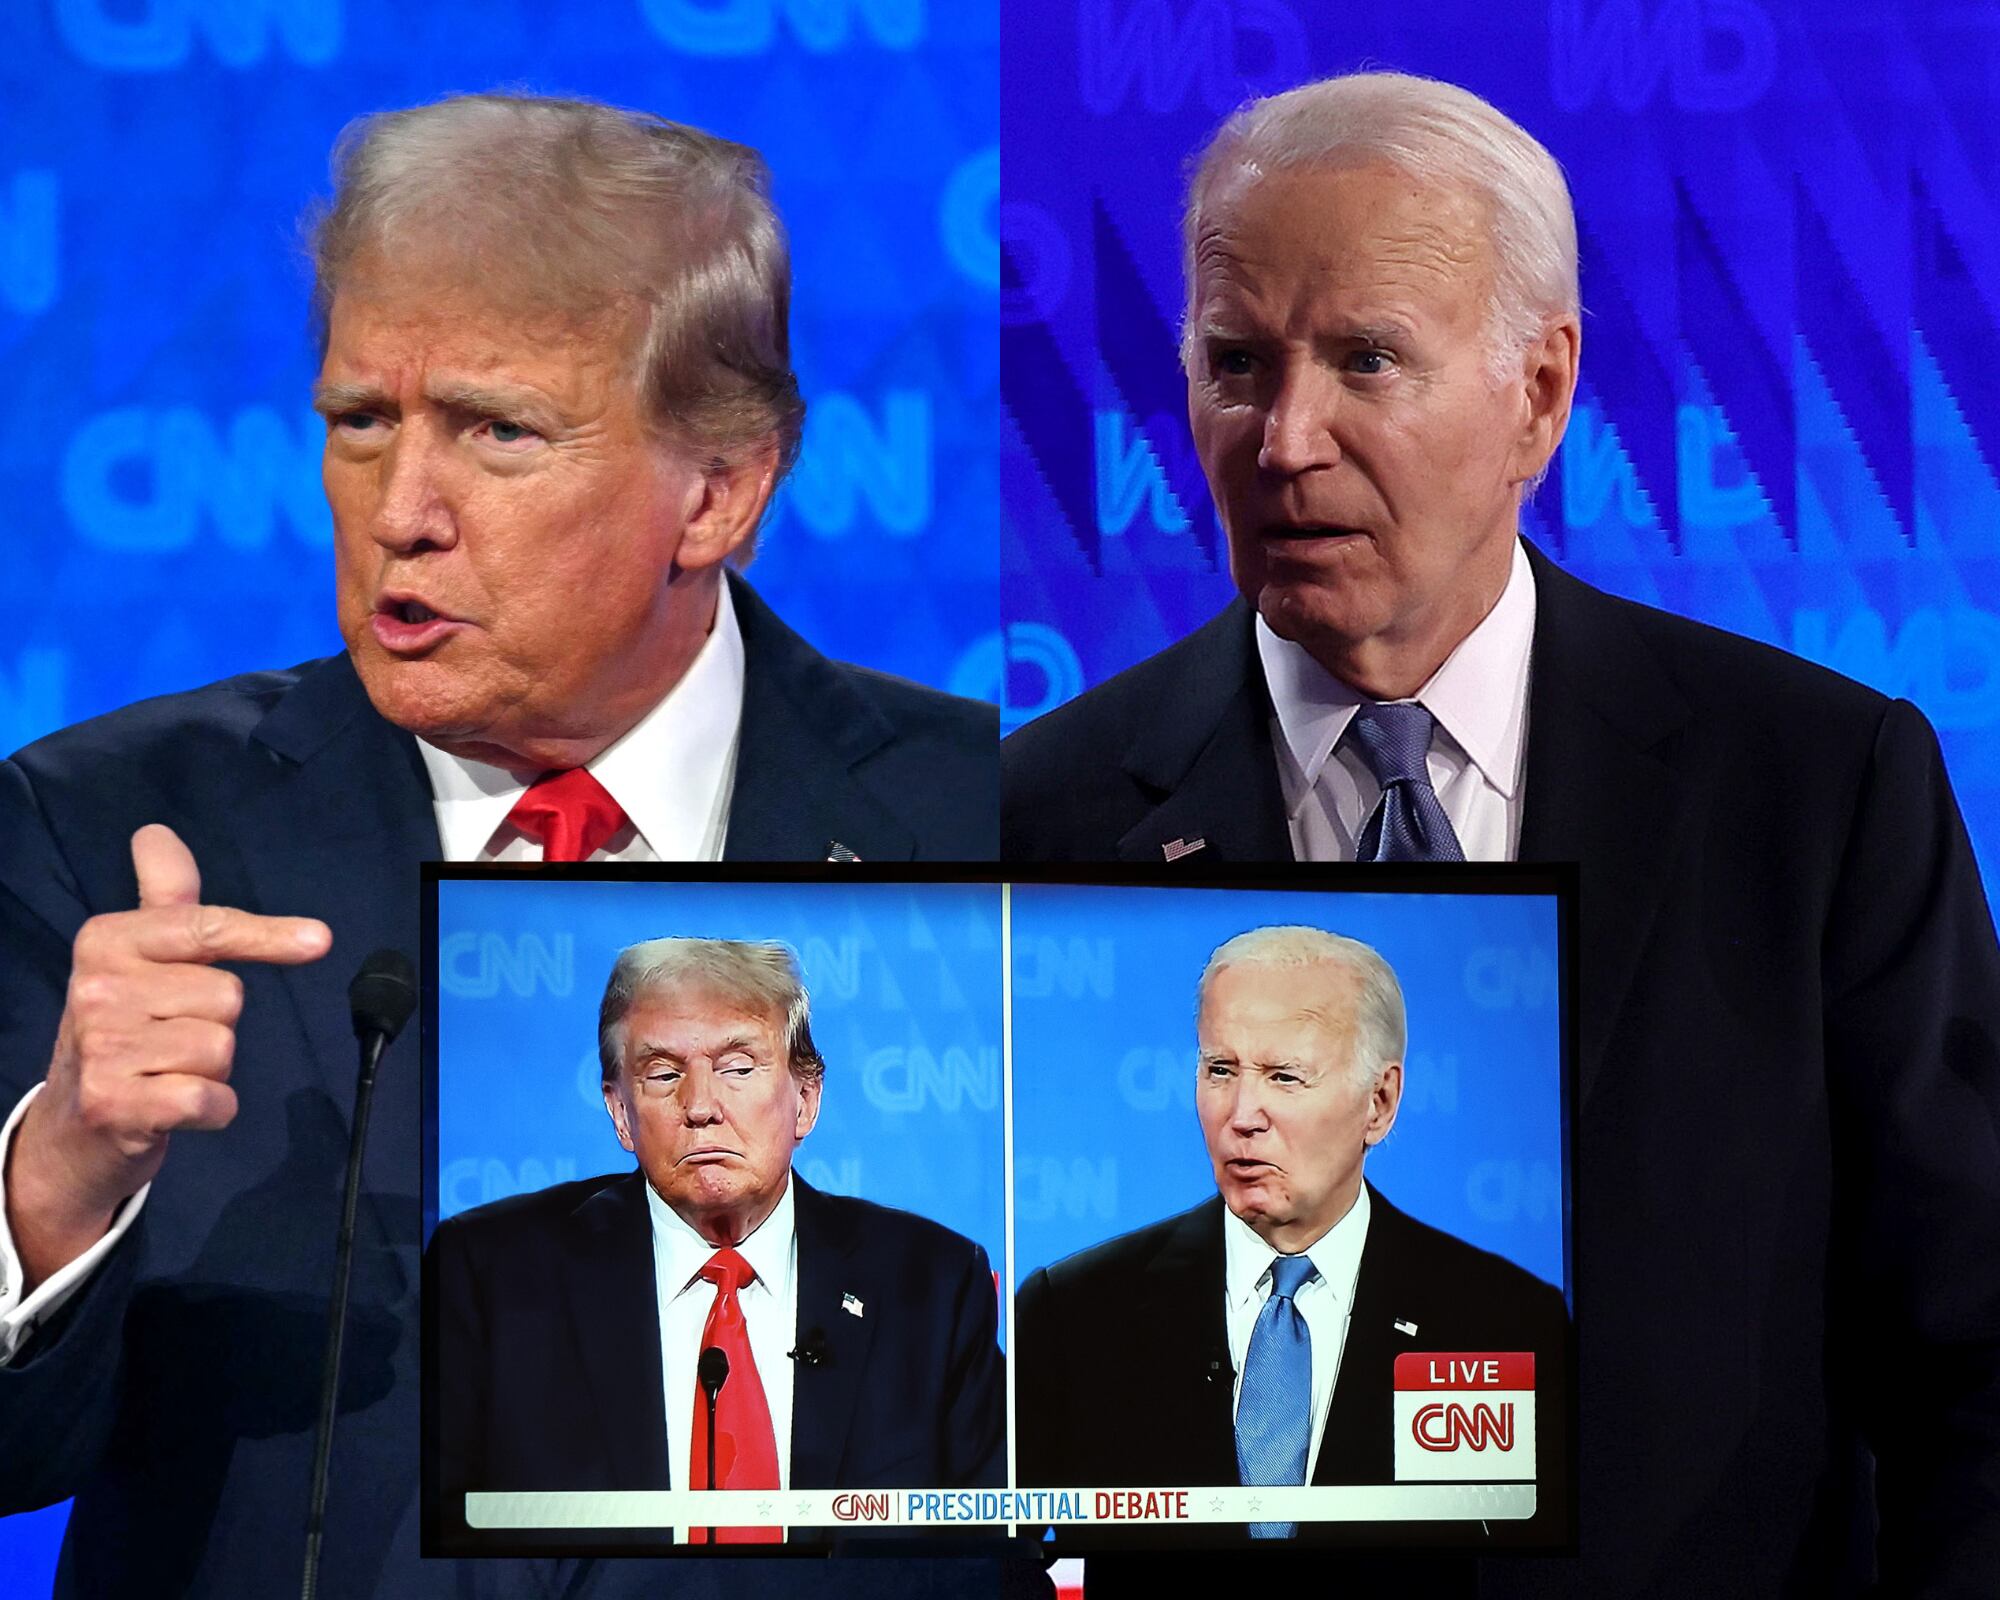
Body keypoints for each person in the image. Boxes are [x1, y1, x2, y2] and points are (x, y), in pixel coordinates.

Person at [1001, 71, 2000, 1596]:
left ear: (1539, 390)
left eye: (1368, 360)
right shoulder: (1035, 811)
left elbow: (1969, 1359)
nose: (1283, 440)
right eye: (1235, 363)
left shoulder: (1819, 787)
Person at [0, 93, 998, 1600]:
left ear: (717, 491)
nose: (402, 512)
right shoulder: (104, 831)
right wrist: (55, 1186)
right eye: (361, 424)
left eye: (498, 431)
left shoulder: (989, 813)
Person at [429, 938, 1005, 1548]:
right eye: (664, 1073)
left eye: (737, 1067)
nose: (700, 1106)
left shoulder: (933, 1284)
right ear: (620, 1111)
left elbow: (997, 1558)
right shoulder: (490, 1276)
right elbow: (440, 1540)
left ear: (805, 1099)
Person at [1015, 927, 1569, 1548]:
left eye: (1284, 1077)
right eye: (1220, 1069)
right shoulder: (1072, 1312)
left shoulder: (1503, 1320)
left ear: (1379, 1103)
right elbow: (1003, 1564)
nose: (1242, 1115)